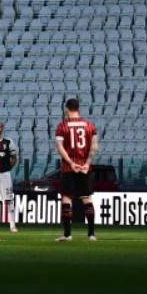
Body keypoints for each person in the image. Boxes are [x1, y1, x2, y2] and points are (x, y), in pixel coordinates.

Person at [55, 98, 99, 242]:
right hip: (85, 168)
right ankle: (91, 234)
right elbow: (94, 147)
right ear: (78, 108)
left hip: (69, 167)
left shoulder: (62, 126)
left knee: (67, 198)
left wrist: (70, 163)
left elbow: (60, 147)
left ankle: (67, 235)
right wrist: (87, 163)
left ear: (66, 108)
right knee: (87, 198)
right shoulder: (90, 125)